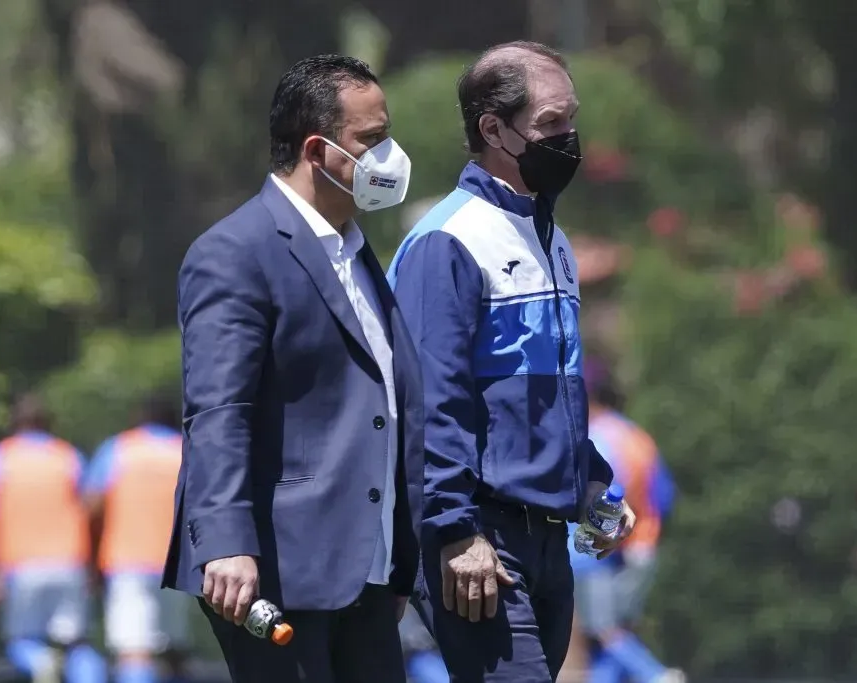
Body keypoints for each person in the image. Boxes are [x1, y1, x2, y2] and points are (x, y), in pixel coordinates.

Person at [161, 54, 424, 683]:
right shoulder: (235, 252)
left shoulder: (357, 250)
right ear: (318, 148)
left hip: (366, 567)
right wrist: (226, 540)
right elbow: (218, 409)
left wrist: (398, 555)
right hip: (274, 570)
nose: (389, 157)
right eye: (372, 140)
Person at [387, 41, 636, 682]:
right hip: (479, 538)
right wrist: (453, 529)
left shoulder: (550, 237)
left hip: (548, 538)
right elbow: (430, 397)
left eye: (570, 119)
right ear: (493, 128)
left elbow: (551, 391)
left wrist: (589, 484)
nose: (568, 137)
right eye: (551, 122)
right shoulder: (449, 239)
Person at [0, 393, 105, 683]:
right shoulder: (68, 456)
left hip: (21, 565)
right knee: (77, 644)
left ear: (14, 423)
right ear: (48, 424)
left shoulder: (1, 456)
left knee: (20, 641)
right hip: (69, 563)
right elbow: (92, 506)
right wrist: (94, 564)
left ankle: (42, 664)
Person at [567, 359, 681, 683]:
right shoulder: (636, 436)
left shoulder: (596, 438)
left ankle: (656, 675)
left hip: (595, 553)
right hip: (641, 547)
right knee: (607, 633)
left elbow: (595, 497)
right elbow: (665, 496)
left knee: (604, 629)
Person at [83, 395, 194, 683]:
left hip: (127, 563)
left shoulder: (119, 448)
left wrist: (91, 558)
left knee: (134, 651)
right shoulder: (183, 450)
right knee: (174, 650)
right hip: (176, 565)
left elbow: (92, 506)